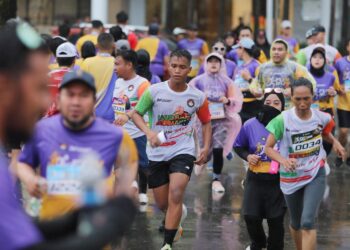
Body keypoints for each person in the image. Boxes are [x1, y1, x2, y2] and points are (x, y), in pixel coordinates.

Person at [0, 22, 136, 250]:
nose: (45, 102)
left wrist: (72, 221)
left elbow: (18, 236)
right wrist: (109, 226)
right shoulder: (43, 131)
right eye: (38, 87)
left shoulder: (116, 136)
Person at [17, 70, 138, 220]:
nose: (76, 102)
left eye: (83, 95)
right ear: (59, 100)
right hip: (51, 229)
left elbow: (128, 178)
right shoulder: (41, 130)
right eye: (70, 94)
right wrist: (30, 180)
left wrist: (123, 196)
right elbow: (23, 163)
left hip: (94, 232)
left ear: (94, 101)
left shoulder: (117, 137)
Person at [131, 49, 212, 250]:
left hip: (183, 150)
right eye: (174, 66)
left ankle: (167, 244)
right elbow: (136, 114)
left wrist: (205, 147)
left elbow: (206, 122)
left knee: (176, 192)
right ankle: (176, 220)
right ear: (168, 66)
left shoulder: (198, 97)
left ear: (189, 69)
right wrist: (149, 133)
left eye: (182, 67)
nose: (177, 70)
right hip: (157, 152)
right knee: (161, 203)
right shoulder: (154, 91)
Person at [265, 78, 346, 250]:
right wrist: (284, 160)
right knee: (295, 222)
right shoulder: (283, 120)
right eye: (298, 99)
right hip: (291, 176)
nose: (302, 103)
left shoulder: (321, 117)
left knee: (308, 221)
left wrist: (337, 143)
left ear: (313, 97)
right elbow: (268, 148)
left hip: (315, 172)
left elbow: (324, 132)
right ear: (291, 98)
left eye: (306, 98)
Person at [234, 90, 286, 250]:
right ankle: (258, 243)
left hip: (279, 179)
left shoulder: (288, 124)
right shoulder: (250, 124)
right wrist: (248, 156)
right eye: (268, 103)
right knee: (251, 216)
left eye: (276, 103)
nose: (271, 106)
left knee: (275, 220)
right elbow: (238, 146)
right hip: (255, 177)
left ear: (283, 106)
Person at [190, 52, 242, 193]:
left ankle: (216, 180)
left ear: (221, 64)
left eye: (216, 61)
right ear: (206, 64)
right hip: (204, 122)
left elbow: (236, 99)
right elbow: (189, 97)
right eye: (210, 61)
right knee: (205, 151)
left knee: (218, 150)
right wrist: (201, 99)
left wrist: (227, 100)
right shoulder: (198, 81)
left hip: (221, 121)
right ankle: (203, 159)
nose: (213, 64)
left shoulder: (227, 82)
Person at [113, 49, 151, 206]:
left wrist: (128, 114)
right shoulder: (117, 82)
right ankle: (128, 187)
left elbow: (145, 106)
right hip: (120, 133)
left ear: (129, 65)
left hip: (137, 133)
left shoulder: (142, 84)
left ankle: (142, 192)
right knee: (120, 164)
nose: (114, 67)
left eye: (117, 64)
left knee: (143, 165)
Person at [250, 39, 316, 109]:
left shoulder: (294, 67)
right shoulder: (263, 68)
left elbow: (311, 84)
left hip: (288, 110)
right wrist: (256, 91)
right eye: (274, 49)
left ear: (286, 52)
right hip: (268, 110)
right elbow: (255, 84)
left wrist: (294, 91)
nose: (276, 52)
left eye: (280, 49)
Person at [81, 33, 116, 122]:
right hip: (111, 115)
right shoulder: (117, 64)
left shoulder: (87, 62)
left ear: (96, 46)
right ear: (113, 46)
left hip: (89, 114)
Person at [232, 38, 261, 123]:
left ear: (243, 49)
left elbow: (261, 89)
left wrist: (249, 78)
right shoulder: (239, 67)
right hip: (240, 106)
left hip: (253, 107)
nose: (236, 51)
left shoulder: (256, 65)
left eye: (238, 48)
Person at [46, 42, 77, 117]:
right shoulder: (79, 78)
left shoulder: (46, 78)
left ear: (56, 59)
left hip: (48, 121)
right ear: (74, 60)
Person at [334, 38, 350, 167]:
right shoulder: (340, 63)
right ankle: (340, 154)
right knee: (344, 131)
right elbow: (334, 81)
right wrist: (339, 89)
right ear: (348, 47)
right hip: (344, 103)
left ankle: (348, 156)